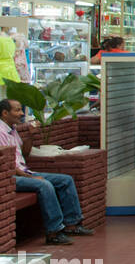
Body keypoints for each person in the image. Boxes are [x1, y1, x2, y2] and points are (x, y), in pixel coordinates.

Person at [0, 98, 90, 245]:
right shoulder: (0, 132)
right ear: (4, 113)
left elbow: (25, 153)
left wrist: (30, 135)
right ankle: (53, 232)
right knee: (45, 185)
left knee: (65, 180)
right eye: (17, 110)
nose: (22, 113)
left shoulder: (13, 129)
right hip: (10, 177)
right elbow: (7, 164)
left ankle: (72, 224)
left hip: (24, 172)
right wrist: (30, 178)